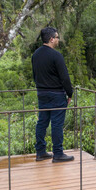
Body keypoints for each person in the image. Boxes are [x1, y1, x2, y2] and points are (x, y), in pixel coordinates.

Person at [32, 27, 74, 162]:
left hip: (42, 93)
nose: (58, 39)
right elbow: (65, 78)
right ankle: (58, 154)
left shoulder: (35, 55)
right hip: (56, 94)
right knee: (56, 124)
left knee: (42, 122)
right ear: (51, 39)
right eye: (57, 37)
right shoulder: (56, 55)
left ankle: (41, 152)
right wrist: (70, 94)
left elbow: (35, 75)